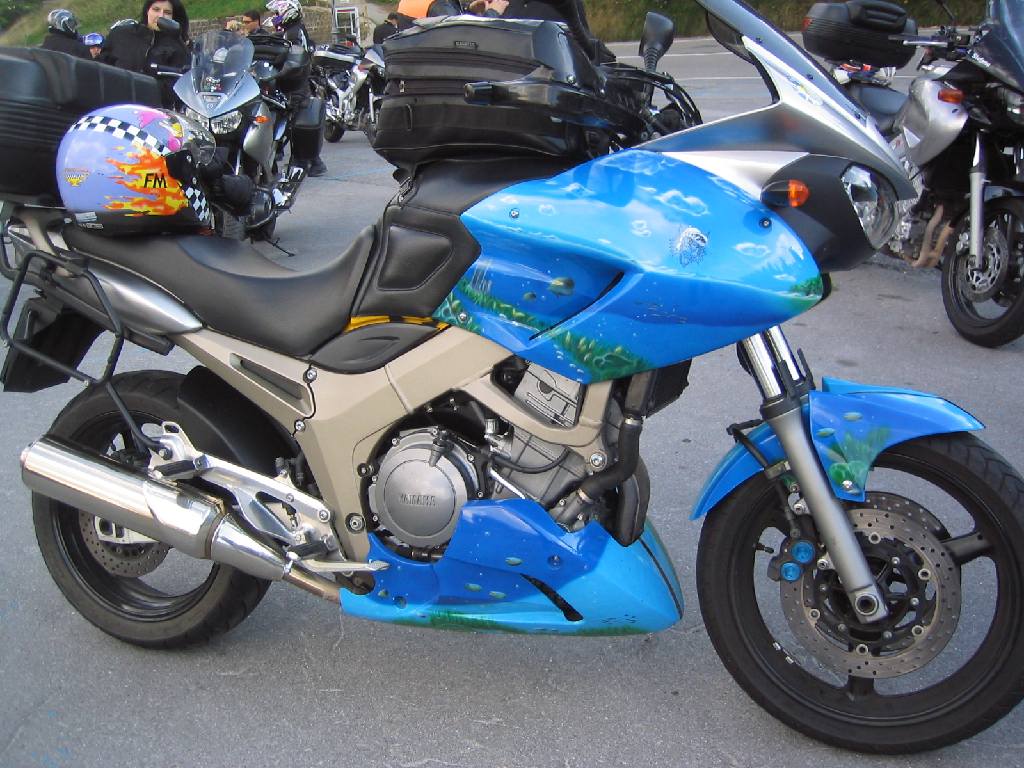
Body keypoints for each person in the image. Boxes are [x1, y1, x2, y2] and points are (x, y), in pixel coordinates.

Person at [265, 0, 327, 176]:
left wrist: (277, 63)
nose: (275, 17)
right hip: (296, 81)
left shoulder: (294, 32)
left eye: (277, 14)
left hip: (296, 83)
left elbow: (293, 54)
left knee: (296, 121)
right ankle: (309, 160)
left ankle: (305, 160)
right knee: (295, 121)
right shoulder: (293, 30)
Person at [100, 0, 190, 106]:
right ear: (147, 11)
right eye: (156, 10)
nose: (161, 16)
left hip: (153, 107)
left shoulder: (177, 47)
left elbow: (178, 85)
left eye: (167, 12)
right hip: (115, 103)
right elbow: (102, 67)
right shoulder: (121, 34)